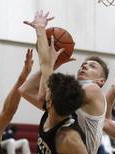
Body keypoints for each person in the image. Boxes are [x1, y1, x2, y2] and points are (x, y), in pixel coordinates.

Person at [20, 9, 115, 154]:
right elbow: (25, 90)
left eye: (92, 66)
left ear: (101, 80)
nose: (85, 65)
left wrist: (41, 33)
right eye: (84, 64)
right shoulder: (65, 104)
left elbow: (43, 94)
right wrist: (54, 64)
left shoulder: (93, 90)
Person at [22, 10, 87, 153]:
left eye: (48, 89)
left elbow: (45, 65)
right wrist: (39, 29)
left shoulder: (69, 139)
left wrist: (41, 28)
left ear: (50, 101)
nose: (45, 89)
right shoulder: (54, 109)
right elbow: (25, 89)